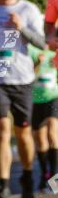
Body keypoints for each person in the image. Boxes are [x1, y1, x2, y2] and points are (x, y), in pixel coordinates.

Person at [0, 0, 45, 198]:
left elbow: (42, 43)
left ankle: (27, 176)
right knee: (1, 129)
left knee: (23, 133)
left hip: (22, 78)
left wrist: (22, 28)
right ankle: (3, 184)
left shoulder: (28, 9)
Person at [28, 43, 58, 190]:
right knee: (40, 140)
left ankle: (54, 174)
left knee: (53, 131)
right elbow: (25, 77)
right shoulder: (30, 50)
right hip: (35, 100)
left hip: (53, 98)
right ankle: (44, 172)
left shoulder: (55, 52)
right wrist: (37, 64)